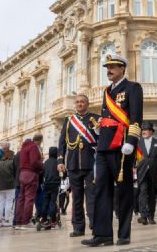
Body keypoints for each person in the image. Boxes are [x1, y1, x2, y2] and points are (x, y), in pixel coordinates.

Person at [82, 54, 143, 247]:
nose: (109, 71)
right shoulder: (107, 91)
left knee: (123, 191)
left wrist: (132, 141)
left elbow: (136, 117)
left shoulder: (133, 88)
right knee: (101, 190)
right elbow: (107, 117)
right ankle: (102, 235)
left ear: (122, 69)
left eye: (113, 67)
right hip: (104, 146)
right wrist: (100, 129)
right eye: (107, 67)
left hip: (122, 146)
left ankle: (124, 234)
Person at [58, 94, 99, 237]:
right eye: (77, 102)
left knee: (92, 196)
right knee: (77, 197)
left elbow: (101, 139)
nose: (80, 104)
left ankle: (95, 224)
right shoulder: (69, 120)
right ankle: (78, 227)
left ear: (87, 104)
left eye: (82, 102)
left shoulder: (95, 118)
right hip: (74, 163)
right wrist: (60, 161)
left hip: (90, 163)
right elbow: (62, 142)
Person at [136, 122, 157, 225]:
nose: (144, 131)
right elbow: (134, 156)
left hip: (154, 172)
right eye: (143, 130)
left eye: (146, 130)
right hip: (142, 171)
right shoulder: (138, 142)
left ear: (151, 132)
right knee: (143, 193)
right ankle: (143, 216)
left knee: (152, 195)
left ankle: (151, 216)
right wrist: (133, 167)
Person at [15, 133, 44, 228]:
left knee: (21, 198)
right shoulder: (33, 147)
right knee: (29, 198)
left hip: (22, 174)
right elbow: (34, 162)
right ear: (40, 140)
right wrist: (42, 166)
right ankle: (26, 221)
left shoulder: (23, 148)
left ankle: (18, 221)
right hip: (31, 173)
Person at [0, 149, 16, 227]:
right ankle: (7, 220)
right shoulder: (12, 163)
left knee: (0, 203)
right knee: (9, 202)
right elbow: (15, 173)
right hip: (10, 185)